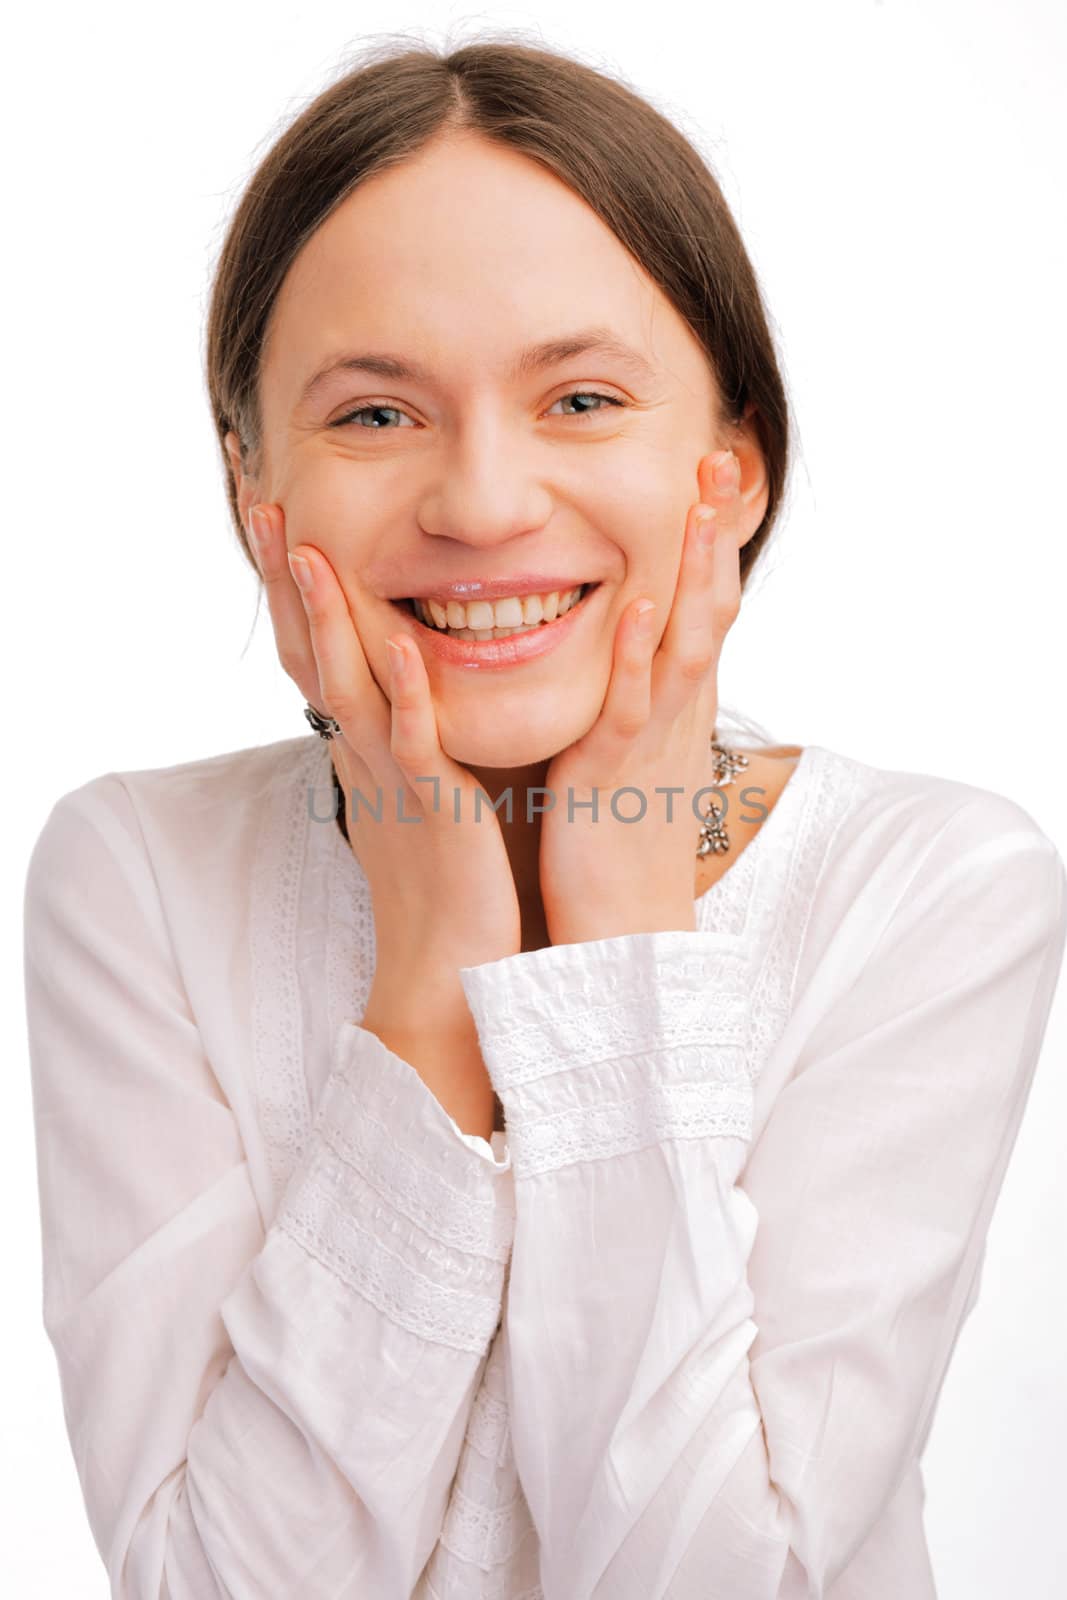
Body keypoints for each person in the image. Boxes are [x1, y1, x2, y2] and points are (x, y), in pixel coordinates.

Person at [22, 34, 1066, 1600]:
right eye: (375, 416)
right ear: (258, 495)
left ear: (733, 472)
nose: (484, 502)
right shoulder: (138, 877)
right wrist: (436, 967)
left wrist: (619, 941)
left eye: (581, 398)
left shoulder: (928, 885)